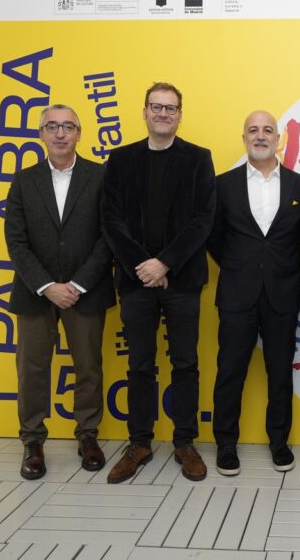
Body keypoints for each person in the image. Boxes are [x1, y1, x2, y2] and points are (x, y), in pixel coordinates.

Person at [101, 81, 216, 483]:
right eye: (156, 107)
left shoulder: (199, 159)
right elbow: (110, 221)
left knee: (185, 363)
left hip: (182, 281)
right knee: (140, 365)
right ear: (145, 111)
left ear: (180, 115)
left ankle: (184, 442)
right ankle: (139, 443)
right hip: (136, 283)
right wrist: (143, 266)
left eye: (170, 108)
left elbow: (204, 220)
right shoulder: (120, 160)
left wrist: (165, 263)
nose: (163, 114)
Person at [4, 104, 115, 480]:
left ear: (80, 133)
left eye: (68, 126)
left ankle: (87, 436)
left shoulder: (101, 176)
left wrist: (78, 284)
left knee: (88, 367)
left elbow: (107, 237)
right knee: (32, 369)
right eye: (52, 126)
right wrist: (48, 286)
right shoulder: (24, 180)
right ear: (41, 134)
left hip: (87, 290)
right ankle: (33, 441)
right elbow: (16, 242)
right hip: (36, 292)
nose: (61, 133)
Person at [208, 111, 300, 476]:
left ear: (279, 138)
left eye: (268, 129)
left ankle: (279, 442)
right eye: (253, 129)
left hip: (282, 293)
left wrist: (278, 268)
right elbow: (215, 238)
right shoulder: (223, 185)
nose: (261, 135)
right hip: (237, 292)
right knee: (230, 371)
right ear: (244, 137)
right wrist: (241, 266)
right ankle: (225, 444)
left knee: (280, 373)